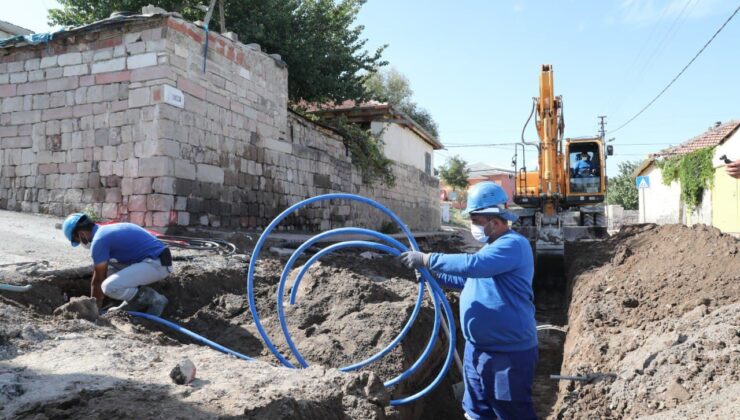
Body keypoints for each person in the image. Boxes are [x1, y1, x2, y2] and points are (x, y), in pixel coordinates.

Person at [398, 182, 538, 420]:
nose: (473, 226)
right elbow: (469, 279)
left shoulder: (513, 245)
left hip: (507, 354)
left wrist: (428, 258)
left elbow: (474, 266)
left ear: (494, 221)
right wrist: (434, 274)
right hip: (476, 350)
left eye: (475, 220)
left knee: (511, 412)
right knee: (476, 411)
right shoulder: (491, 247)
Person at [62, 213, 171, 316]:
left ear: (81, 234)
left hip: (158, 264)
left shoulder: (99, 240)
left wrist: (94, 308)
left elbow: (98, 279)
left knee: (108, 286)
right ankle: (134, 300)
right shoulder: (104, 231)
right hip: (155, 260)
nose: (80, 243)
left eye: (77, 240)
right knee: (108, 269)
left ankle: (155, 299)